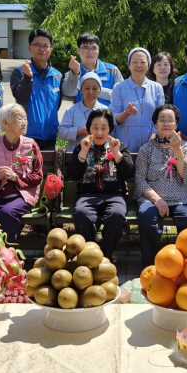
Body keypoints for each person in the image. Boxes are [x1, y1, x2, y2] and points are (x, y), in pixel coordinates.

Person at [66, 108, 134, 260]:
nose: (99, 132)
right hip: (87, 195)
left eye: (104, 128)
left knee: (116, 215)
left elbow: (129, 173)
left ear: (110, 129)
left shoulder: (119, 146)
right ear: (89, 128)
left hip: (115, 195)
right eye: (95, 127)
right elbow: (72, 174)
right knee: (82, 214)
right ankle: (90, 254)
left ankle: (107, 256)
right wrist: (83, 152)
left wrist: (117, 154)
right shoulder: (82, 146)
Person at [135, 105, 187, 267]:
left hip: (182, 197)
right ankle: (151, 266)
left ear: (176, 125)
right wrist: (157, 200)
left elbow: (186, 175)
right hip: (152, 198)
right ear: (155, 124)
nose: (166, 124)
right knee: (146, 216)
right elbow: (140, 180)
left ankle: (186, 265)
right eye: (162, 120)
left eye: (170, 120)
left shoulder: (186, 147)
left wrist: (177, 150)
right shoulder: (146, 149)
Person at [0, 104, 43, 244]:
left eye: (25, 118)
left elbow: (38, 176)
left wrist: (16, 178)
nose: (25, 122)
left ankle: (9, 253)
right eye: (20, 118)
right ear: (5, 122)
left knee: (7, 213)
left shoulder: (31, 145)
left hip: (22, 195)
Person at [10, 28, 62, 150]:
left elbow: (56, 105)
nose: (42, 49)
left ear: (51, 49)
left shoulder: (58, 75)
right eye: (37, 45)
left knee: (48, 169)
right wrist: (28, 77)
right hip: (26, 136)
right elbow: (20, 96)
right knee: (25, 168)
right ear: (30, 48)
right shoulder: (19, 72)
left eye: (45, 46)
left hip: (50, 137)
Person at [110, 47, 165, 153]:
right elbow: (114, 118)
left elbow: (160, 116)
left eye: (143, 62)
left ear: (148, 65)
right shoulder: (119, 87)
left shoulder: (157, 87)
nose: (139, 65)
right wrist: (127, 113)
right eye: (134, 62)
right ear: (129, 65)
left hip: (150, 138)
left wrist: (154, 135)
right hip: (125, 137)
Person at [60, 33, 123, 106]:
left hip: (108, 116)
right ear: (78, 50)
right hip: (83, 116)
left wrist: (94, 90)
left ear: (98, 50)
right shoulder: (73, 73)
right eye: (85, 48)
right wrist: (75, 74)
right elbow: (67, 92)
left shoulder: (112, 70)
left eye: (93, 48)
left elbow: (122, 95)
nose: (90, 52)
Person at [59, 72, 106, 150]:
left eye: (94, 88)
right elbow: (62, 132)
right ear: (81, 90)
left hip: (99, 153)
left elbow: (112, 132)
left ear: (100, 90)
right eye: (87, 88)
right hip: (75, 153)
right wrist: (79, 131)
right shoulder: (71, 110)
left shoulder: (105, 110)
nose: (91, 92)